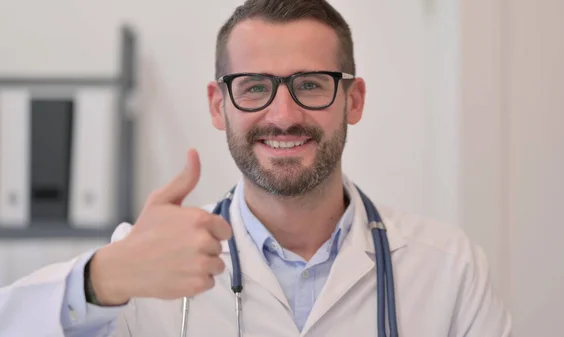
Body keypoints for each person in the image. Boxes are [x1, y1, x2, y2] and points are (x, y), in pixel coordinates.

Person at [0, 0, 512, 336]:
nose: (283, 115)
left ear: (353, 100)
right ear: (218, 104)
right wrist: (101, 279)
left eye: (311, 84)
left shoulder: (448, 269)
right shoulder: (146, 266)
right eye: (253, 87)